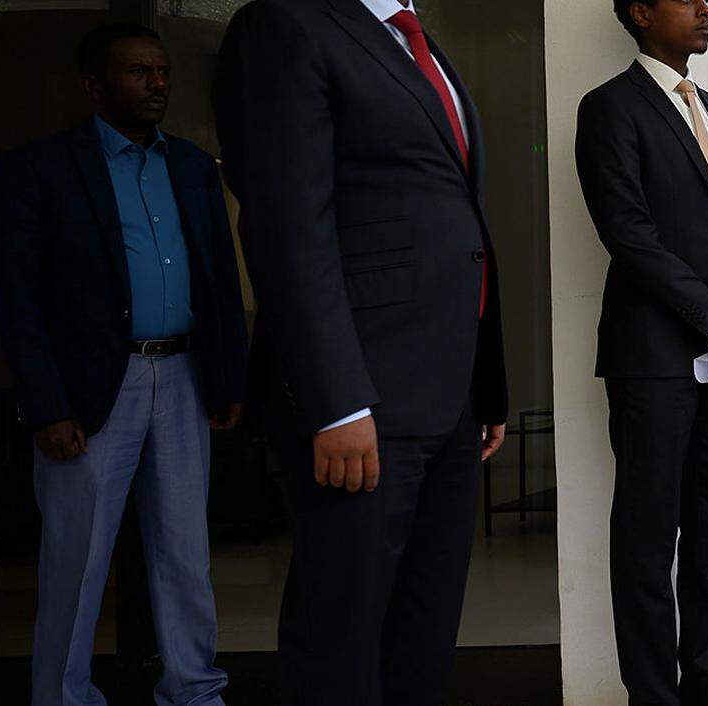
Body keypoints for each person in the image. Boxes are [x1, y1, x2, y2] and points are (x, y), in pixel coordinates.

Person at [213, 0, 509, 702]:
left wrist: (485, 384)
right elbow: (288, 225)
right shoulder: (286, 24)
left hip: (449, 394)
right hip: (362, 398)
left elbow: (450, 218)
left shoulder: (418, 41)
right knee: (341, 636)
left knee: (425, 630)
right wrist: (336, 399)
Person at [0, 22, 247, 706]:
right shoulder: (41, 170)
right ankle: (63, 696)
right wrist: (46, 404)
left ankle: (193, 691)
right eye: (138, 73)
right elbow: (17, 301)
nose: (156, 84)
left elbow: (220, 281)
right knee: (77, 559)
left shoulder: (192, 166)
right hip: (93, 387)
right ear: (93, 84)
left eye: (161, 71)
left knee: (185, 555)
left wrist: (228, 377)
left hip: (186, 378)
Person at [574, 1, 708, 703]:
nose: (706, 8)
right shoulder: (610, 109)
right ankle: (653, 697)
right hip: (653, 357)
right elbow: (627, 232)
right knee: (649, 541)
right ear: (640, 12)